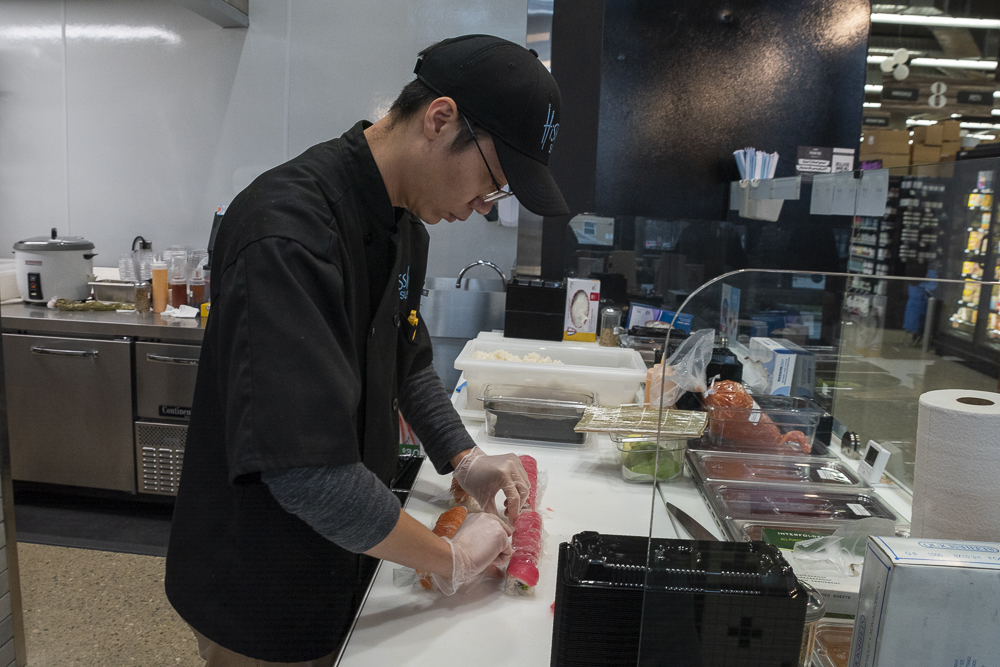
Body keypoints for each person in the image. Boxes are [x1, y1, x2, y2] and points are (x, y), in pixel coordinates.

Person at [164, 34, 569, 666]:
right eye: (493, 182)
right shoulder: (288, 231)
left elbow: (406, 362)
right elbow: (308, 473)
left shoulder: (405, 223)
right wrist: (452, 559)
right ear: (441, 118)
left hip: (345, 554)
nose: (483, 206)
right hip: (257, 579)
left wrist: (465, 459)